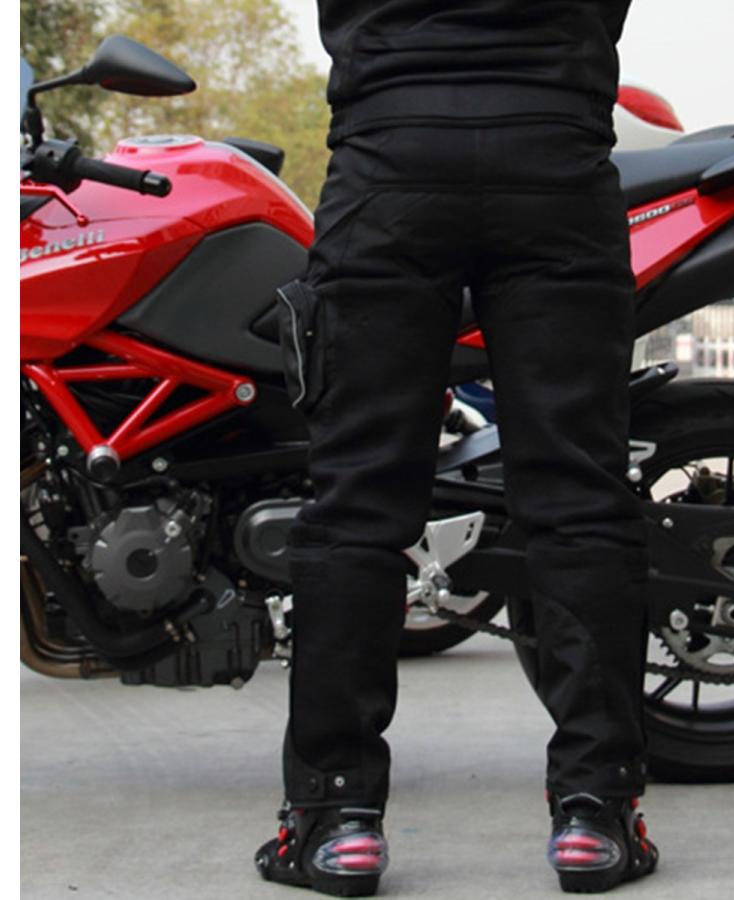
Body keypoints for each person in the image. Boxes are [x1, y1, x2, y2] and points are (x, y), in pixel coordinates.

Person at [254, 0, 659, 894]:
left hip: (391, 157)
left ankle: (334, 819)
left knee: (357, 498)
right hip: (555, 152)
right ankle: (595, 810)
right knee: (578, 493)